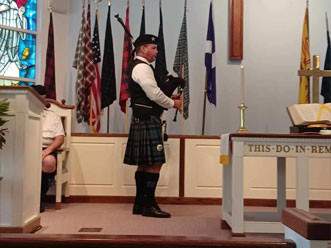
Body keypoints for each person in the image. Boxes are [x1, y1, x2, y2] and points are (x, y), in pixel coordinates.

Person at [123, 34, 182, 218]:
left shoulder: (139, 66)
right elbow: (154, 93)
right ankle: (149, 205)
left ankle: (140, 204)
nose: (156, 52)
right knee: (155, 163)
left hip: (143, 118)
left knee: (144, 165)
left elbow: (151, 94)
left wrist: (169, 96)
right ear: (142, 49)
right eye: (153, 48)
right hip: (148, 119)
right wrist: (174, 104)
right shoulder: (142, 67)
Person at [31, 85, 64, 212]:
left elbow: (60, 138)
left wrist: (47, 151)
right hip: (28, 148)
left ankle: (39, 199)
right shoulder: (24, 113)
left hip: (47, 148)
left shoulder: (52, 116)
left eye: (43, 99)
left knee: (48, 162)